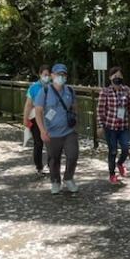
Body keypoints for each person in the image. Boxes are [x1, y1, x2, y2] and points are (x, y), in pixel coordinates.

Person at [33, 63, 79, 194]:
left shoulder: (70, 90)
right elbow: (38, 112)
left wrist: (76, 123)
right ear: (52, 75)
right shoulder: (45, 91)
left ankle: (68, 178)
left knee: (73, 155)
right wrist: (42, 130)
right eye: (59, 74)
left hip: (69, 131)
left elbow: (75, 107)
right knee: (53, 159)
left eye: (64, 74)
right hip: (52, 133)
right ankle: (55, 181)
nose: (61, 77)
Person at [97, 66, 130, 185]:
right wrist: (100, 125)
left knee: (126, 148)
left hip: (123, 127)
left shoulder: (126, 90)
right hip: (110, 127)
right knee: (113, 150)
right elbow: (100, 110)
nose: (117, 79)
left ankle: (120, 163)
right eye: (115, 76)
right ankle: (112, 174)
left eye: (119, 76)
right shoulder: (105, 92)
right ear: (110, 78)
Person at [23, 67, 51, 174]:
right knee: (38, 143)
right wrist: (25, 119)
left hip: (49, 117)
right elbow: (28, 104)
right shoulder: (34, 88)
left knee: (50, 142)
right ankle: (39, 166)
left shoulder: (52, 87)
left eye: (48, 74)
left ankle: (51, 164)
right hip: (35, 117)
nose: (47, 77)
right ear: (40, 74)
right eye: (45, 74)